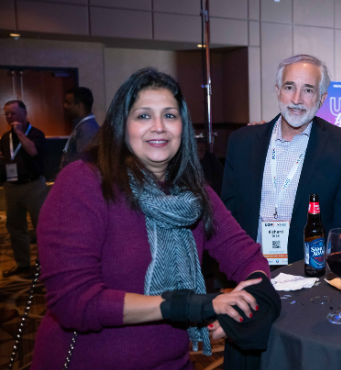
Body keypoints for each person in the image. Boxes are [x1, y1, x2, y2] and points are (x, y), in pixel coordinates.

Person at [33, 68, 277, 369]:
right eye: (144, 116)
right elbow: (75, 302)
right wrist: (189, 306)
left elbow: (248, 257)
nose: (159, 127)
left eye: (170, 116)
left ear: (183, 127)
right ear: (122, 125)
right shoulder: (84, 182)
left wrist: (242, 308)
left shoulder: (194, 193)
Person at [222, 54, 341, 266]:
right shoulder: (242, 142)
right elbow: (227, 217)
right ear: (278, 91)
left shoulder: (340, 145)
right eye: (289, 87)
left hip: (309, 273)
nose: (296, 99)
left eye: (308, 90)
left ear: (321, 99)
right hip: (249, 270)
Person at [0, 100, 47, 278]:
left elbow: (33, 151)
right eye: (6, 114)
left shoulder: (35, 134)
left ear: (24, 114)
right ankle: (22, 264)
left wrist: (19, 132)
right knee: (15, 227)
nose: (9, 117)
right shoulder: (5, 137)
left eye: (12, 113)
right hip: (11, 186)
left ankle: (45, 265)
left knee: (41, 227)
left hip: (33, 186)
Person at [60, 86, 100, 169]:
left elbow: (84, 163)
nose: (65, 106)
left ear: (79, 106)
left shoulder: (87, 128)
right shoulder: (81, 125)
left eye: (68, 103)